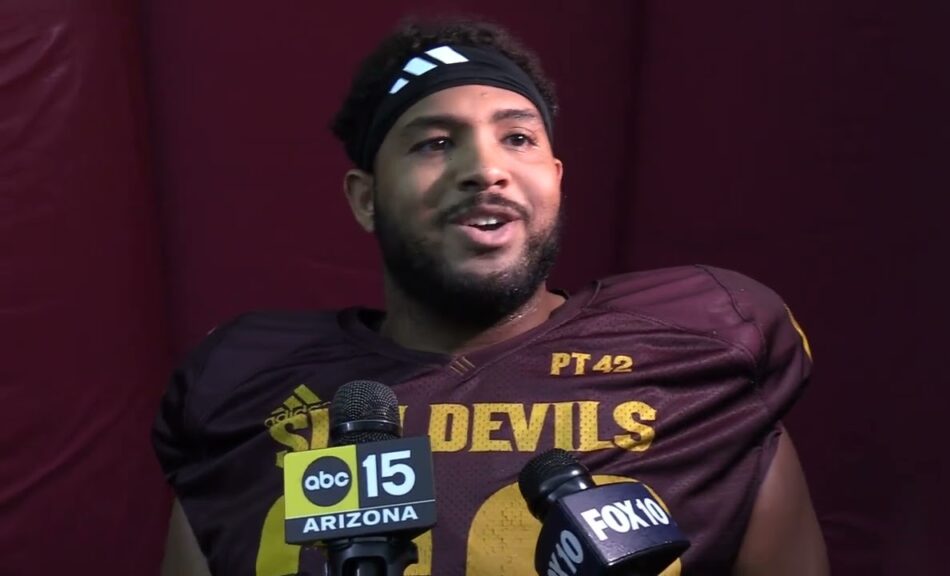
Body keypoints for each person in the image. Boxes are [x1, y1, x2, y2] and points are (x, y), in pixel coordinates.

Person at [153, 17, 829, 576]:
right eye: (435, 143)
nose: (485, 169)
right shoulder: (243, 396)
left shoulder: (700, 361)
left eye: (517, 138)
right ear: (366, 199)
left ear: (556, 179)